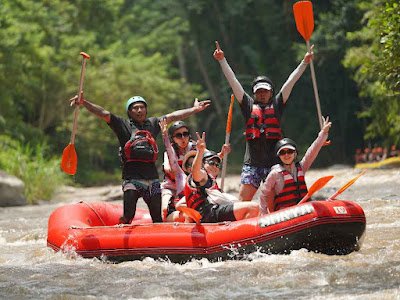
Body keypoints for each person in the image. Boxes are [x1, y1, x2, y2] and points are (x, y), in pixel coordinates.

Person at [70, 94, 211, 224]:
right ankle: (120, 233)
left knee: (157, 217)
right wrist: (84, 103)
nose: (139, 110)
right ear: (129, 112)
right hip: (132, 179)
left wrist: (194, 109)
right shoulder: (122, 125)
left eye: (142, 107)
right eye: (135, 108)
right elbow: (104, 114)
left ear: (146, 110)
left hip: (153, 180)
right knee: (128, 216)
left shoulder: (154, 123)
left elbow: (173, 116)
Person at [213, 41, 315, 201]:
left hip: (273, 165)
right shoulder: (247, 105)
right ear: (254, 93)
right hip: (252, 164)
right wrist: (222, 60)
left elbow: (291, 82)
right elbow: (234, 82)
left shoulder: (277, 104)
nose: (262, 94)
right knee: (243, 201)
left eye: (265, 91)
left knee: (273, 203)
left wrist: (304, 62)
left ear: (271, 92)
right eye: (259, 91)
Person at [159, 118, 231, 222]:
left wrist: (222, 154)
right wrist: (181, 170)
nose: (183, 138)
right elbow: (169, 169)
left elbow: (209, 158)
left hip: (194, 183)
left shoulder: (195, 146)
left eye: (185, 134)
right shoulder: (169, 152)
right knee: (165, 209)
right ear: (173, 139)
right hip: (173, 185)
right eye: (179, 136)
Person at [259, 116, 332, 214]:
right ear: (278, 156)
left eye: (289, 151)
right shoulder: (275, 174)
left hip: (304, 209)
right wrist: (263, 214)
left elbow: (312, 151)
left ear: (295, 153)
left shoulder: (301, 167)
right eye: (282, 153)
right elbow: (264, 193)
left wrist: (323, 133)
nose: (286, 155)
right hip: (284, 214)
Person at [183, 131, 259, 223]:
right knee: (253, 207)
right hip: (207, 213)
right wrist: (200, 152)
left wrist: (222, 154)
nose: (215, 166)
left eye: (217, 165)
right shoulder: (202, 175)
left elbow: (213, 161)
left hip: (213, 211)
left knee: (250, 207)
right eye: (211, 163)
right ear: (203, 164)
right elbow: (196, 172)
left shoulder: (210, 177)